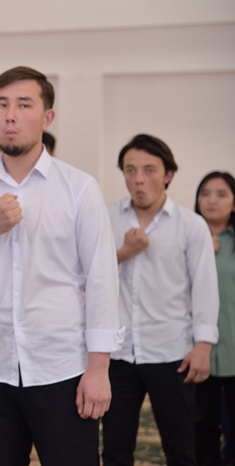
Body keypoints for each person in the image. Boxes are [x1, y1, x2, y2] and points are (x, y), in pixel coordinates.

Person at [0, 66, 122, 466]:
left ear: (47, 117)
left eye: (23, 105)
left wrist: (99, 368)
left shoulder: (79, 188)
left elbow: (103, 280)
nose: (10, 116)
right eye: (1, 105)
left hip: (62, 368)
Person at [102, 134, 219, 466]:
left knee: (180, 448)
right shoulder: (106, 217)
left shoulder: (190, 225)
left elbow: (205, 287)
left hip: (171, 351)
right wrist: (124, 253)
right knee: (114, 448)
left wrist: (203, 345)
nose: (138, 179)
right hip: (117, 352)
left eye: (149, 170)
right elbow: (85, 275)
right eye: (130, 170)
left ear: (168, 174)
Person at [193, 171, 235, 466]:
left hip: (233, 348)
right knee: (202, 426)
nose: (212, 200)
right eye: (205, 193)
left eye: (221, 194)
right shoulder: (186, 237)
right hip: (197, 352)